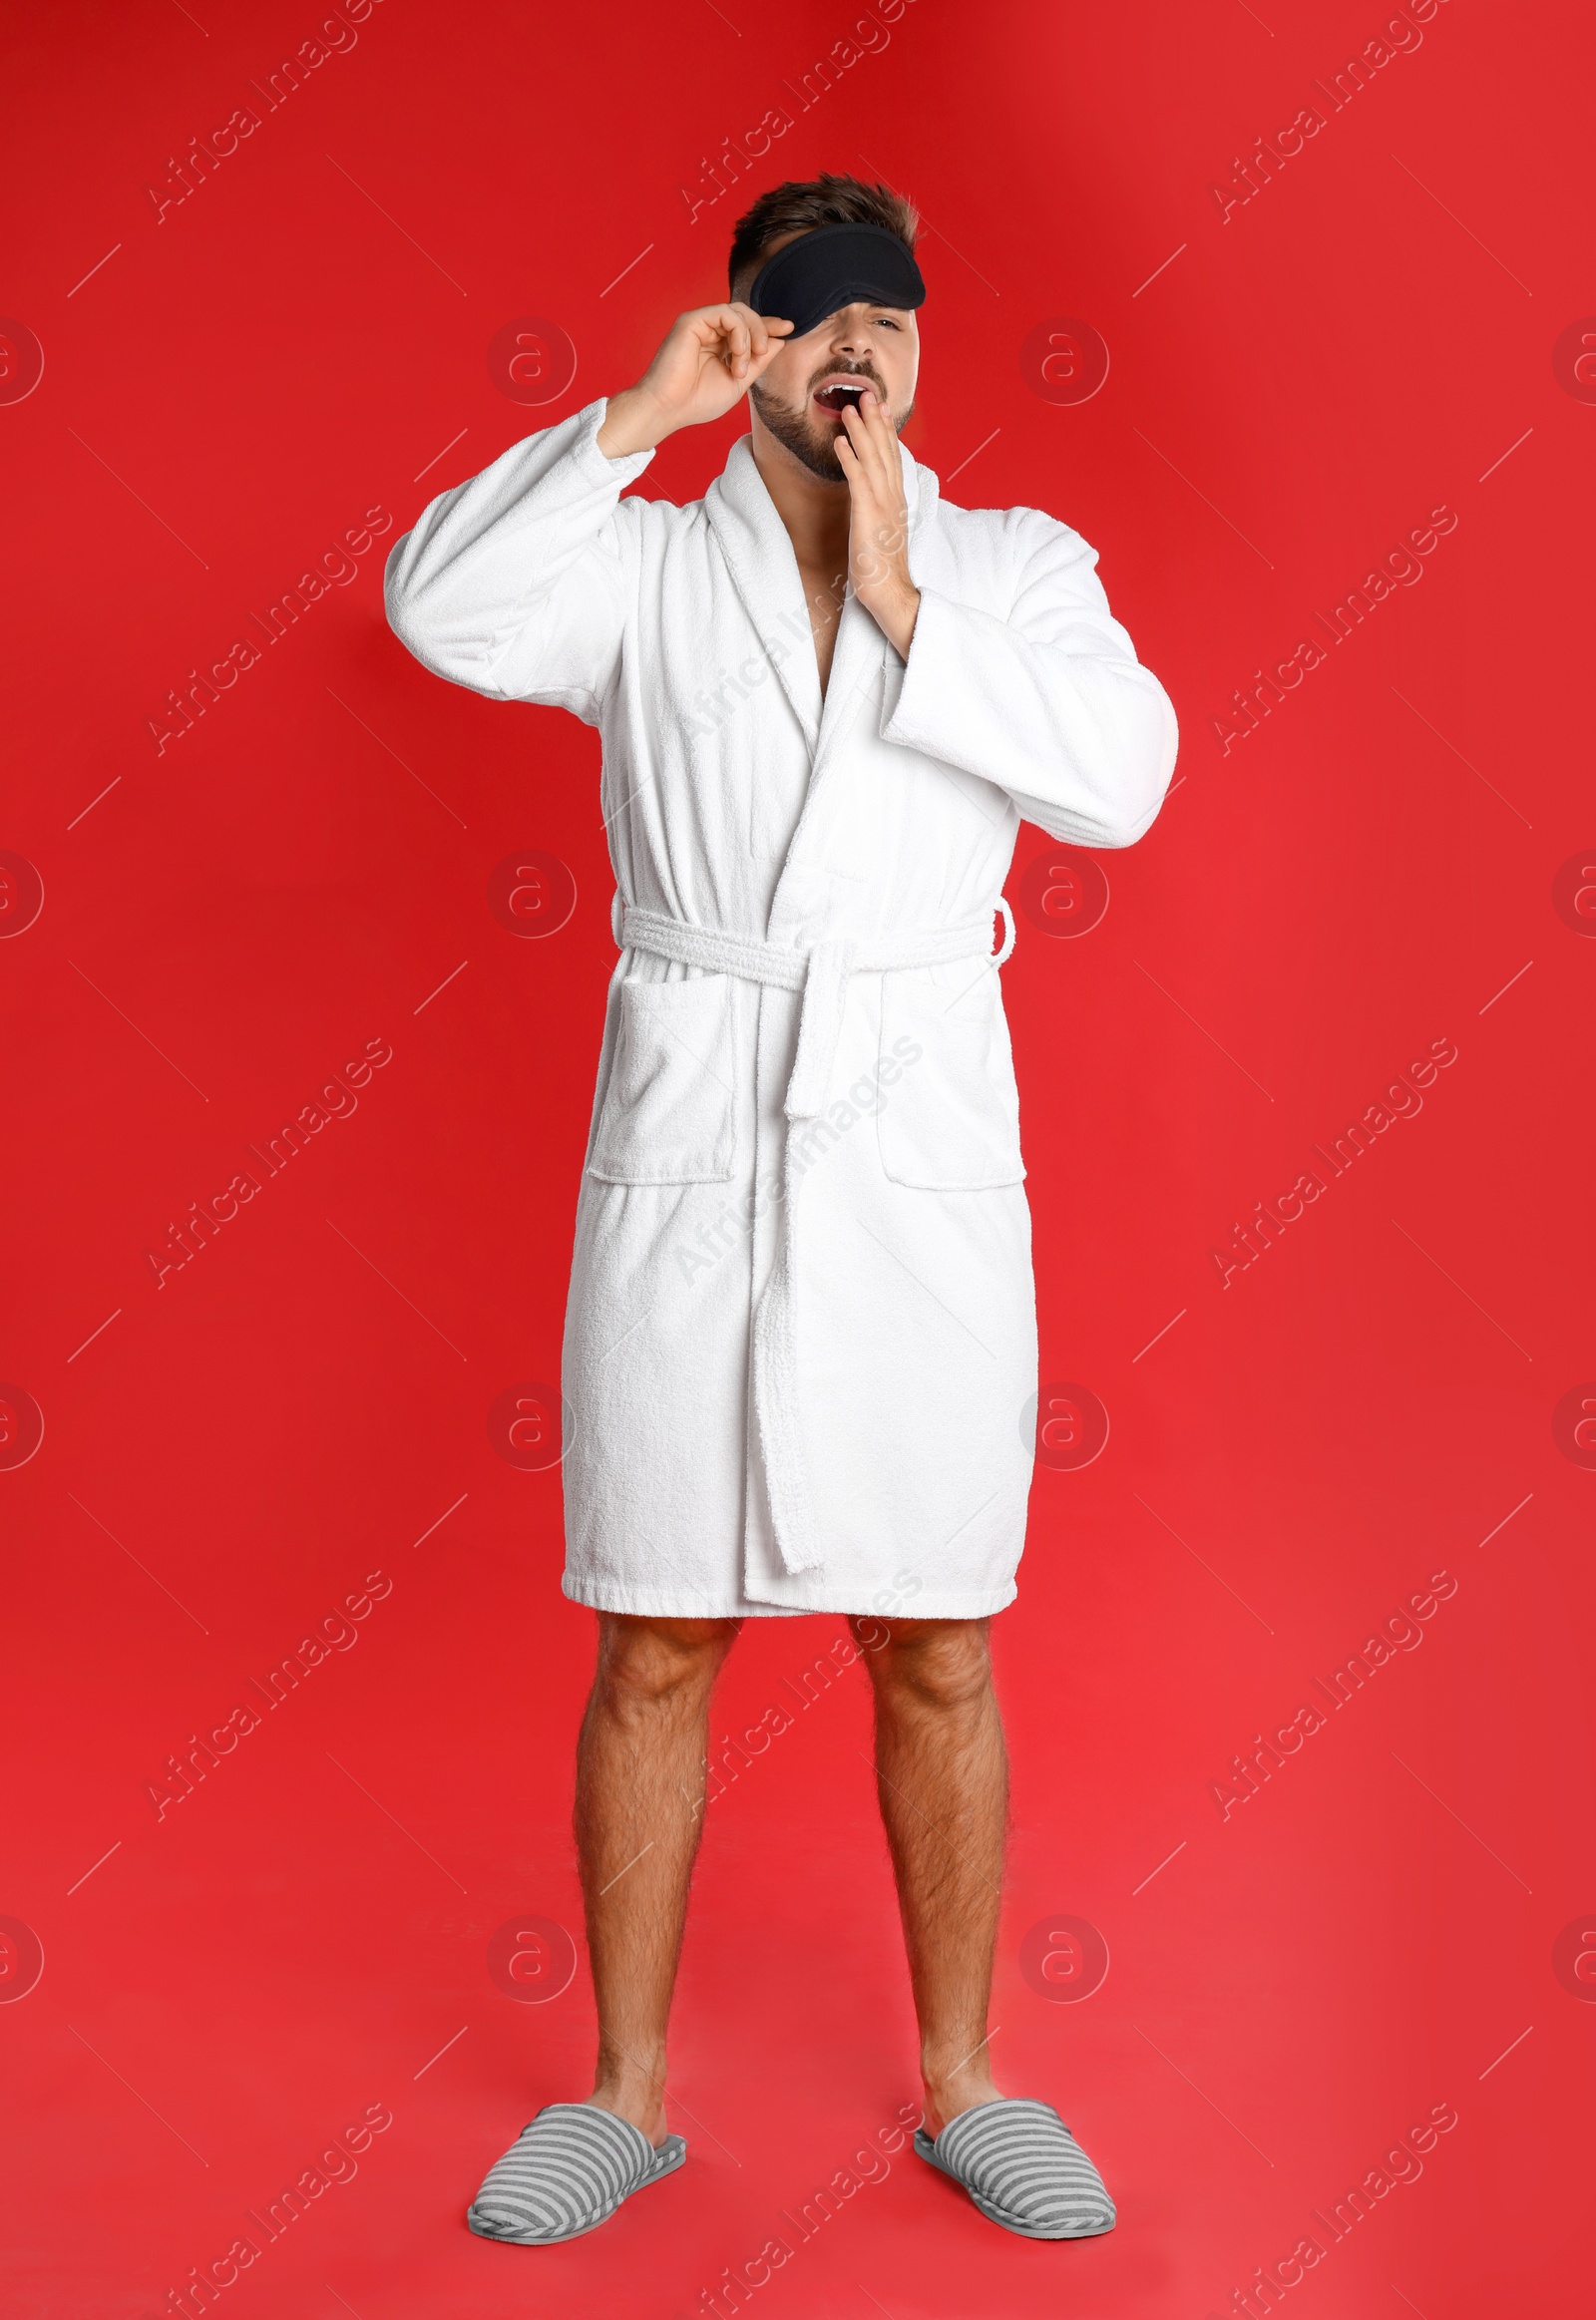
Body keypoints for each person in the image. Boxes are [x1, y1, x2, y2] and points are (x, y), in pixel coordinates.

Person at [385, 171, 1177, 2247]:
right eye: (804, 315)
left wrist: (908, 590)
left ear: (917, 348)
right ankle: (623, 2094)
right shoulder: (641, 572)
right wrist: (624, 419)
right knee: (653, 1631)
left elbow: (1122, 775)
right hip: (699, 1127)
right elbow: (431, 608)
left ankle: (967, 2078)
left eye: (885, 319)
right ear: (748, 343)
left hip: (911, 1147)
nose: (855, 346)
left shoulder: (1011, 563)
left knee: (934, 1632)